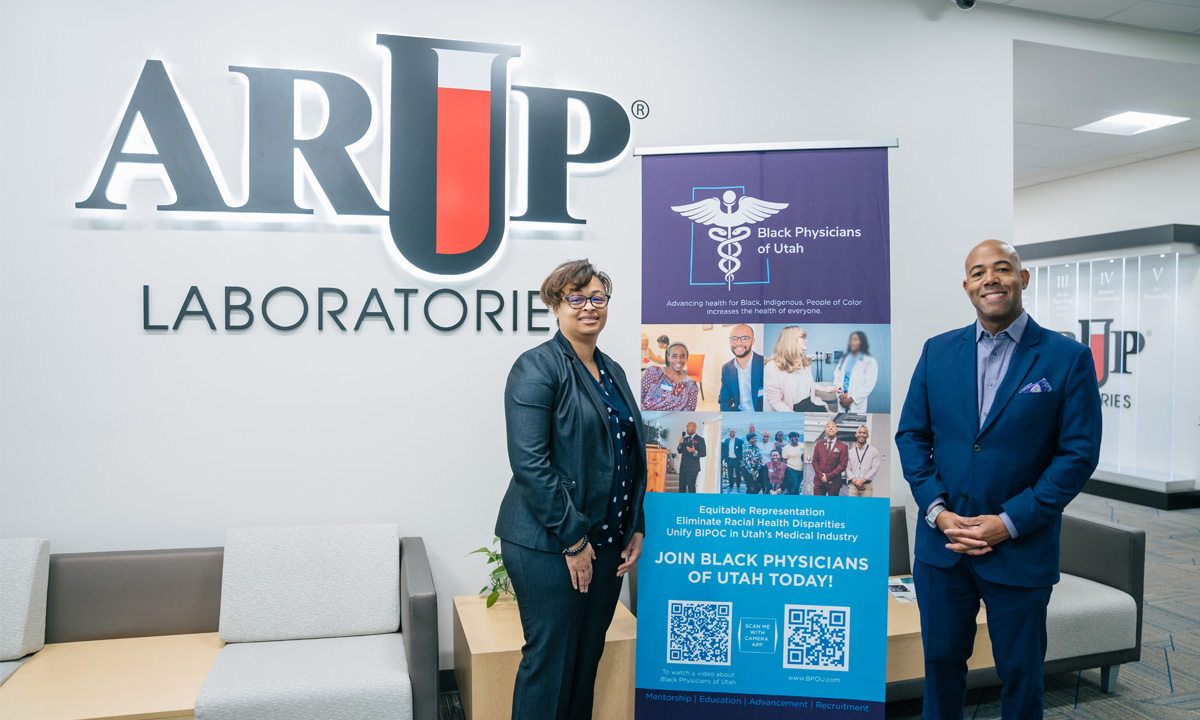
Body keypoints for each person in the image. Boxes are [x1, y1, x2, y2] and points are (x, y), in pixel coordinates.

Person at [895, 240, 1102, 719]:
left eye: (1002, 268)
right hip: (942, 547)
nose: (990, 278)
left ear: (1022, 279)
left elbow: (1077, 455)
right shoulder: (938, 351)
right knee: (941, 663)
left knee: (1021, 672)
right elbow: (911, 436)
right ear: (966, 287)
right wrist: (938, 511)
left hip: (1019, 547)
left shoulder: (1065, 358)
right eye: (978, 272)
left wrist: (1009, 522)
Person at [495, 259, 648, 720]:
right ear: (556, 305)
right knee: (550, 663)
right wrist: (574, 540)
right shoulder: (537, 367)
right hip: (548, 543)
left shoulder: (613, 370)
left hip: (605, 545)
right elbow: (530, 464)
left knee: (585, 662)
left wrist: (635, 522)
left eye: (597, 297)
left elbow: (629, 452)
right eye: (575, 298)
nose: (588, 307)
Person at [764, 326, 837, 412]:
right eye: (803, 337)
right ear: (790, 340)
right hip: (791, 410)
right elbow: (776, 403)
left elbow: (808, 384)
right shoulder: (772, 367)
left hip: (810, 404)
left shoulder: (804, 363)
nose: (806, 340)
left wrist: (825, 389)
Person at [640, 342, 699, 411]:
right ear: (668, 357)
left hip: (672, 420)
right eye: (674, 356)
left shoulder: (691, 385)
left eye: (682, 356)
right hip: (644, 417)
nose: (679, 360)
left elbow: (687, 413)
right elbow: (639, 396)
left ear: (686, 358)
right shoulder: (654, 372)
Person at [718, 324, 764, 411]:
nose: (739, 343)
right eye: (734, 338)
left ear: (753, 341)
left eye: (745, 338)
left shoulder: (764, 364)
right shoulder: (726, 369)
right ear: (730, 341)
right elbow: (724, 401)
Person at [833, 331, 879, 414]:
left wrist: (851, 399)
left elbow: (869, 385)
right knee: (840, 424)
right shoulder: (844, 358)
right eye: (851, 340)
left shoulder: (869, 361)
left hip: (856, 403)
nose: (852, 342)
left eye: (855, 339)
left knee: (857, 425)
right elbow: (837, 376)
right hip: (842, 400)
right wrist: (840, 396)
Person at [811, 420, 848, 497]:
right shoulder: (819, 444)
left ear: (836, 430)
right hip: (819, 481)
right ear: (825, 430)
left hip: (834, 482)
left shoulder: (843, 446)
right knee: (818, 505)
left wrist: (828, 476)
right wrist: (821, 476)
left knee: (833, 506)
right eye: (828, 426)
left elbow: (842, 464)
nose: (830, 428)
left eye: (833, 426)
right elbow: (815, 461)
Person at [846, 425, 880, 498]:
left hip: (867, 486)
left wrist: (862, 481)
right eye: (860, 432)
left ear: (867, 435)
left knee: (866, 508)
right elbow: (847, 468)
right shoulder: (850, 452)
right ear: (856, 435)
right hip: (853, 486)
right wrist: (855, 481)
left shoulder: (874, 452)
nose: (862, 434)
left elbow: (874, 468)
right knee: (852, 507)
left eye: (864, 433)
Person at [676, 422, 706, 494]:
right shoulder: (685, 439)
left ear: (695, 427)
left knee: (691, 488)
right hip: (683, 468)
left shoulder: (700, 439)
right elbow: (680, 451)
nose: (687, 428)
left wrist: (694, 452)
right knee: (681, 488)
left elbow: (704, 453)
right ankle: (682, 503)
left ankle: (692, 503)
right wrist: (680, 445)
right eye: (686, 427)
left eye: (689, 426)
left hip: (692, 469)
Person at [720, 428, 744, 492]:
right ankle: (731, 486)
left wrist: (740, 459)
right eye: (731, 432)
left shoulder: (739, 441)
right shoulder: (726, 441)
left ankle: (738, 487)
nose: (732, 433)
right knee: (730, 474)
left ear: (735, 433)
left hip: (736, 460)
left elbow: (741, 450)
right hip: (729, 460)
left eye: (733, 432)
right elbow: (724, 450)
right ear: (729, 433)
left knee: (738, 474)